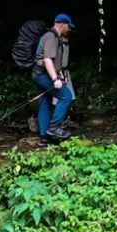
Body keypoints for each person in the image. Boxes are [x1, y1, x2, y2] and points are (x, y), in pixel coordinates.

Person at [32, 14, 76, 147]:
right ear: (62, 24)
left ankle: (44, 138)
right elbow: (47, 59)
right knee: (66, 96)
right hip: (44, 75)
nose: (69, 30)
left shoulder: (50, 36)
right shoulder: (52, 37)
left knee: (44, 102)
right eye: (68, 27)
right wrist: (55, 78)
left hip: (38, 74)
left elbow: (52, 61)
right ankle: (54, 127)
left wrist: (59, 73)